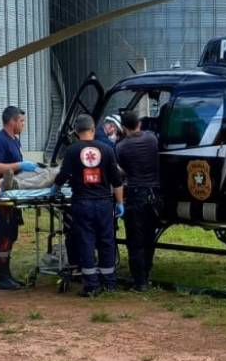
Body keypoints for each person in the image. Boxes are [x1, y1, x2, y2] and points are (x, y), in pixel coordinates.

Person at [54, 114, 123, 296]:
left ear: (76, 132)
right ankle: (109, 283)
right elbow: (117, 181)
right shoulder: (107, 150)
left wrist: (55, 186)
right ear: (93, 130)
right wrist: (120, 203)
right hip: (104, 204)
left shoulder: (71, 150)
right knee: (106, 241)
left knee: (85, 241)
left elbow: (62, 176)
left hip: (82, 203)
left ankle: (91, 285)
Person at [0, 105, 37, 290]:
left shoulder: (14, 140)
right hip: (2, 197)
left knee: (11, 233)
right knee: (3, 233)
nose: (23, 125)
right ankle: (2, 276)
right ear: (12, 122)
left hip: (13, 195)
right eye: (21, 121)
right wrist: (19, 164)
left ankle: (6, 273)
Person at [116, 110, 161, 292]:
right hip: (155, 195)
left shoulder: (121, 147)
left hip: (135, 195)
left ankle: (139, 281)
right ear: (139, 124)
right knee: (150, 237)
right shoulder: (152, 139)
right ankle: (147, 273)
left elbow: (120, 172)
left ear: (123, 128)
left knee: (135, 239)